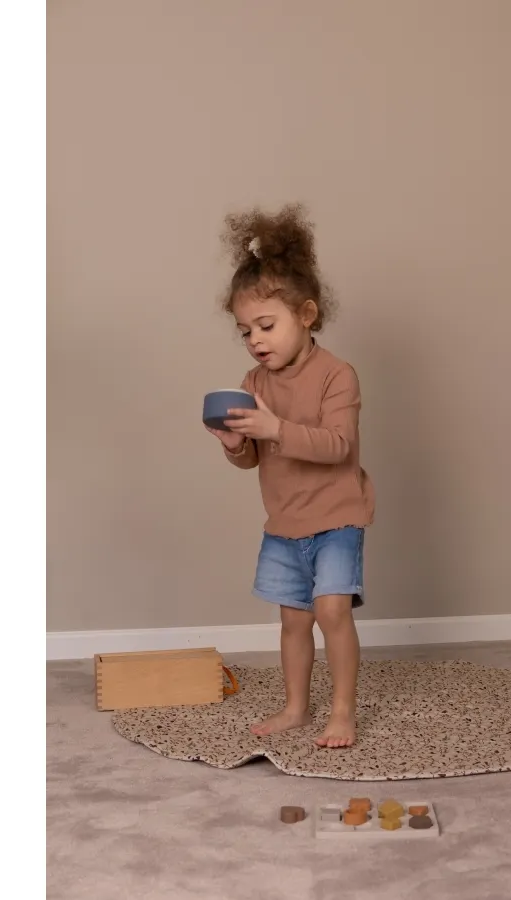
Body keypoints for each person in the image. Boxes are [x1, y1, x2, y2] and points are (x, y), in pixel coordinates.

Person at [206, 204, 374, 749]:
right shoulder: (254, 382)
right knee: (293, 622)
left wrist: (275, 427)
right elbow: (255, 458)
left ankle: (342, 711)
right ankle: (296, 708)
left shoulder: (337, 375)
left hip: (337, 517)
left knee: (332, 612)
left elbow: (337, 445)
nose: (256, 340)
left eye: (267, 325)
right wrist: (236, 444)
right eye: (245, 331)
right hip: (283, 524)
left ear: (306, 315)